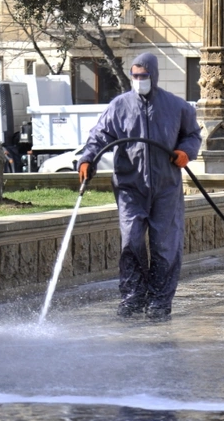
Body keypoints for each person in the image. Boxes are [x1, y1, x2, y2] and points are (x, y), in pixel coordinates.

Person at [77, 53, 202, 320]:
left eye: (143, 76)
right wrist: (87, 159)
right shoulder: (119, 106)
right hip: (130, 186)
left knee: (165, 245)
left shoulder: (177, 107)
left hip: (166, 187)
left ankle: (160, 300)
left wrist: (185, 152)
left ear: (153, 76)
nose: (139, 81)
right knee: (131, 241)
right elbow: (100, 136)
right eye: (135, 76)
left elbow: (192, 134)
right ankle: (133, 297)